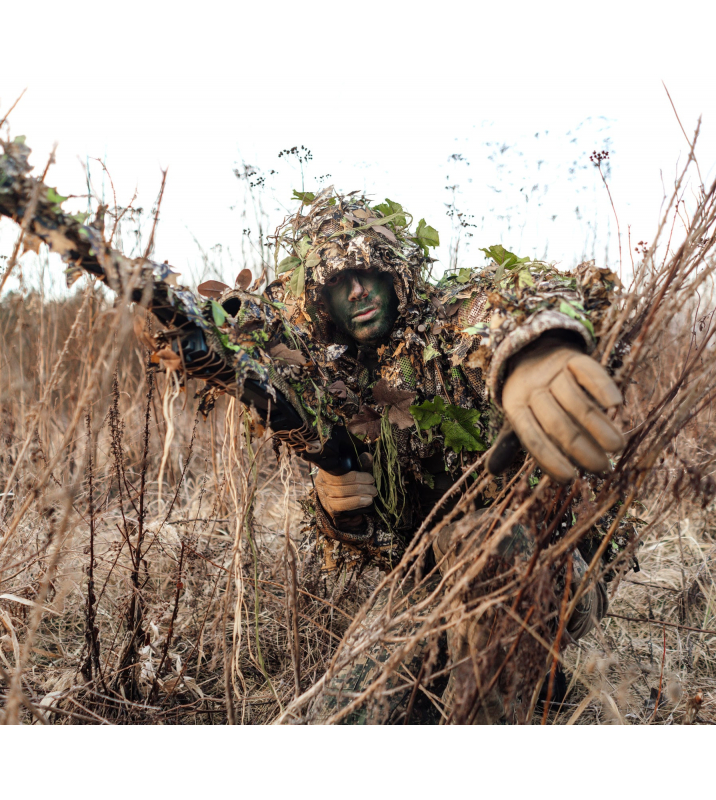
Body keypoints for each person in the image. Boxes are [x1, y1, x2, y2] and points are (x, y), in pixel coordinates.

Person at [247, 187, 625, 723]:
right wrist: (339, 512)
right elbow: (386, 547)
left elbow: (511, 299)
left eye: (368, 272)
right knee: (346, 712)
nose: (357, 290)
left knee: (482, 542)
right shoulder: (341, 385)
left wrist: (535, 347)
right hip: (432, 586)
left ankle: (518, 699)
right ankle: (519, 681)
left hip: (554, 565)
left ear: (395, 276)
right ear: (321, 302)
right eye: (337, 282)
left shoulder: (450, 319)